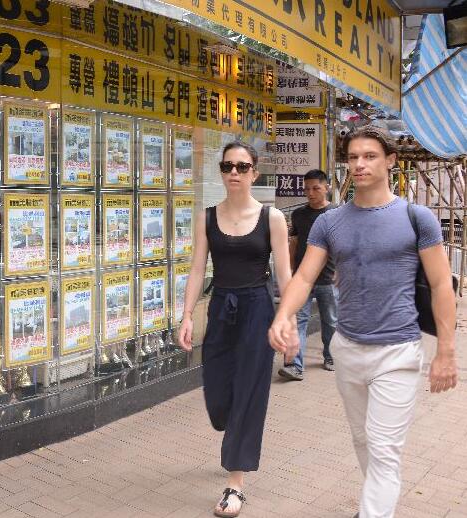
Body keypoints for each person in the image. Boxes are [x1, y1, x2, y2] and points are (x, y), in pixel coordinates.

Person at [269, 126, 458, 518]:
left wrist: (446, 351)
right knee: (363, 439)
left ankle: (373, 511)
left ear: (390, 161)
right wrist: (283, 316)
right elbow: (304, 277)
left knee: (384, 447)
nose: (359, 164)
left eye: (370, 156)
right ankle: (377, 502)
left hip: (398, 350)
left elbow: (442, 284)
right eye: (353, 157)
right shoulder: (330, 222)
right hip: (348, 348)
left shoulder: (416, 218)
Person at [178, 141, 298, 518]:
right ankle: (231, 430)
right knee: (218, 395)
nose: (234, 172)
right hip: (221, 308)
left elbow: (285, 275)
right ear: (221, 171)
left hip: (257, 310)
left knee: (249, 390)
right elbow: (197, 269)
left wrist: (289, 322)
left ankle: (235, 484)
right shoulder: (207, 218)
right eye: (228, 166)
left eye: (242, 167)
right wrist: (186, 315)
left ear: (254, 173)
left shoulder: (271, 218)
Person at [279, 169, 338, 381]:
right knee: (298, 321)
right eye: (307, 189)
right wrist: (289, 272)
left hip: (328, 278)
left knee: (330, 321)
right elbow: (294, 244)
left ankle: (331, 357)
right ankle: (294, 365)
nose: (310, 193)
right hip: (301, 279)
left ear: (327, 188)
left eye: (316, 188)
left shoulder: (337, 214)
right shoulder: (299, 215)